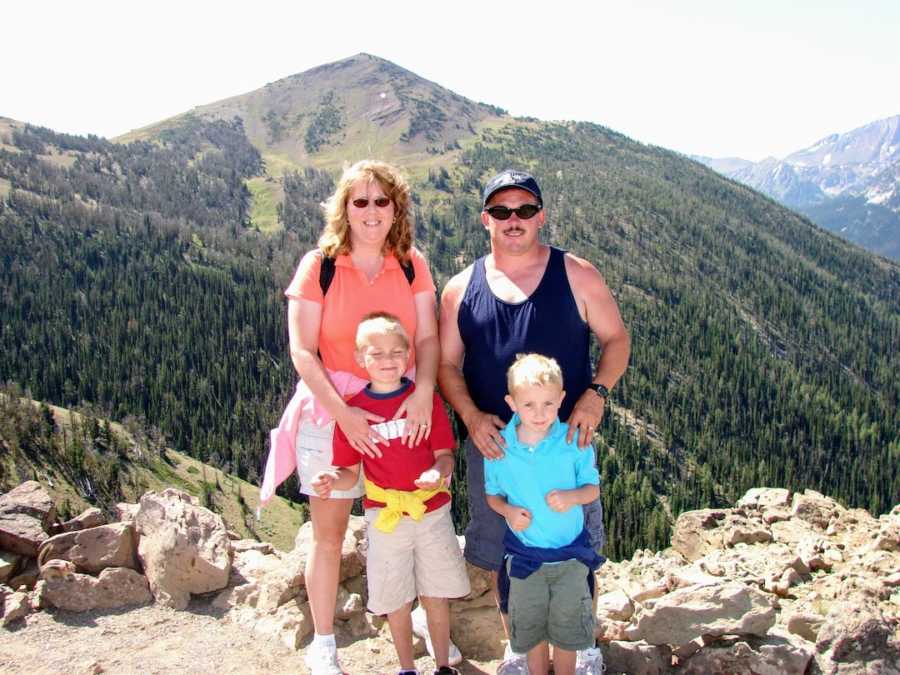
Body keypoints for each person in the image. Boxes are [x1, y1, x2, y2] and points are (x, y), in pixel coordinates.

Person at [438, 169, 630, 674]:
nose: (514, 220)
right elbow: (446, 365)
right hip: (497, 448)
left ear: (540, 215)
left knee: (577, 544)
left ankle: (580, 645)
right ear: (486, 220)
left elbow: (617, 341)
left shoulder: (577, 274)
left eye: (524, 209)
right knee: (506, 549)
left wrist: (596, 395)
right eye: (501, 211)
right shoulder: (461, 289)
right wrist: (471, 415)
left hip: (566, 441)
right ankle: (521, 647)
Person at [259, 160, 444, 675]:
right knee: (329, 532)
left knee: (413, 516)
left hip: (404, 408)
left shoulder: (411, 264)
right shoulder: (318, 265)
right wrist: (347, 417)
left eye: (381, 200)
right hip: (331, 409)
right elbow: (302, 352)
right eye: (359, 201)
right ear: (344, 207)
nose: (370, 211)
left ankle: (416, 615)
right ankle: (324, 643)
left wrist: (424, 391)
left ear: (396, 208)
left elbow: (427, 337)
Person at [312, 313, 470, 675]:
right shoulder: (353, 413)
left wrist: (438, 472)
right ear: (359, 359)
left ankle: (443, 664)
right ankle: (406, 668)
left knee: (436, 593)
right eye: (376, 354)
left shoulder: (424, 400)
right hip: (384, 515)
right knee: (395, 597)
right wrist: (330, 480)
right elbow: (348, 471)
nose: (387, 361)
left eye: (396, 352)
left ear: (409, 355)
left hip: (431, 512)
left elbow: (445, 455)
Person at [485, 354, 603, 675]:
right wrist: (508, 511)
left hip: (569, 559)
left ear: (562, 399)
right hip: (525, 559)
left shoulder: (574, 441)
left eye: (549, 404)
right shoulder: (500, 447)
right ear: (511, 403)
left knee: (566, 634)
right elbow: (492, 495)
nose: (540, 414)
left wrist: (572, 497)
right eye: (529, 405)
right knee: (533, 630)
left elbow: (592, 489)